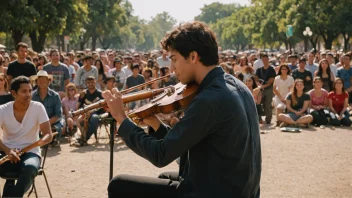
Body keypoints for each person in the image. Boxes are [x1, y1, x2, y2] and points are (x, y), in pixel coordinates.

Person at [103, 21, 261, 198]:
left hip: (215, 192)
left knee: (118, 185)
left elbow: (160, 155)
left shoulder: (209, 99)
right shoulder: (238, 86)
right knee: (165, 177)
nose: (172, 68)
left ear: (193, 57)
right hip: (239, 189)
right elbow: (185, 147)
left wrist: (122, 120)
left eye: (174, 59)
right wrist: (157, 125)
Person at [0, 76, 53, 197]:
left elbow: (48, 134)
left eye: (30, 91)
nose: (28, 94)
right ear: (13, 93)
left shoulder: (38, 107)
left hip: (31, 152)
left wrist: (41, 141)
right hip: (7, 152)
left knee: (29, 167)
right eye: (24, 91)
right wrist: (8, 151)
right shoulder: (2, 110)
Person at [31, 70, 63, 146]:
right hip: (36, 123)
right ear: (36, 82)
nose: (42, 81)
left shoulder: (55, 95)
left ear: (48, 81)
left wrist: (46, 124)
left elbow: (58, 114)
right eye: (39, 79)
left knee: (56, 128)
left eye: (44, 79)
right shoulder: (31, 95)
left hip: (52, 122)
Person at [74, 76, 104, 146]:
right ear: (86, 83)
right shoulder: (84, 93)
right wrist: (81, 97)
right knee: (78, 119)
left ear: (95, 82)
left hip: (96, 113)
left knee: (95, 118)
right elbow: (78, 105)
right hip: (85, 113)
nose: (90, 84)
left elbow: (103, 107)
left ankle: (85, 138)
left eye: (92, 82)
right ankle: (82, 136)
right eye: (88, 83)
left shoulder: (100, 93)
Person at [255, 54, 276, 124]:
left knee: (267, 104)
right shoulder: (259, 70)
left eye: (266, 59)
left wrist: (262, 86)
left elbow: (270, 82)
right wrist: (258, 84)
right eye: (263, 59)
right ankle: (259, 118)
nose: (265, 61)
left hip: (268, 88)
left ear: (268, 59)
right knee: (258, 103)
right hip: (260, 88)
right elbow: (256, 78)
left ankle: (268, 119)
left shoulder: (271, 70)